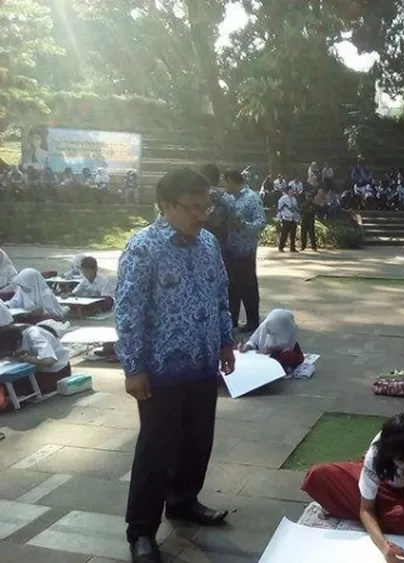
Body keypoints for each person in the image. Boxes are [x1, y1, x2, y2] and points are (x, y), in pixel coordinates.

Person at [115, 168, 235, 563]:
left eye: (206, 207)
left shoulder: (208, 244)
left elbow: (220, 294)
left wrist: (225, 341)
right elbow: (128, 312)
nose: (202, 215)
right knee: (156, 449)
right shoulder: (143, 248)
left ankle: (183, 500)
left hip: (202, 363)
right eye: (193, 207)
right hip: (160, 370)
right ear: (166, 205)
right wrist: (133, 368)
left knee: (198, 440)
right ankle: (141, 531)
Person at [302, 413, 404, 562]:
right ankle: (384, 519)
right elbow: (366, 509)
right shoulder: (376, 454)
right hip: (383, 488)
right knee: (317, 476)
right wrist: (385, 548)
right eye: (402, 461)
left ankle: (377, 520)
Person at [223, 169, 266, 333]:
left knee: (248, 286)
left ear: (232, 181)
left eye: (226, 182)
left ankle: (252, 321)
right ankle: (231, 320)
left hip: (245, 249)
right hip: (229, 249)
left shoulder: (252, 198)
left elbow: (261, 222)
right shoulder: (227, 198)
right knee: (231, 286)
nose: (224, 186)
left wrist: (244, 226)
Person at [0, 321, 71, 395]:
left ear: (17, 343)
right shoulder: (10, 332)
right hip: (37, 371)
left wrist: (29, 359)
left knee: (13, 391)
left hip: (56, 372)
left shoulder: (35, 335)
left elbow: (50, 361)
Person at [239, 309, 304, 373]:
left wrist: (273, 350)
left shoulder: (290, 331)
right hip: (262, 358)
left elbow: (294, 353)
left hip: (279, 357)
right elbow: (254, 340)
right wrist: (246, 347)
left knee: (288, 357)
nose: (271, 333)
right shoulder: (265, 326)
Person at [198, 164, 235, 264]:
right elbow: (235, 222)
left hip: (201, 248)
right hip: (222, 248)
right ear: (218, 179)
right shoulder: (228, 198)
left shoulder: (197, 199)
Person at [276, 185, 300, 253]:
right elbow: (279, 209)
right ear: (288, 191)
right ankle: (281, 247)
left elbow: (296, 209)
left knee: (293, 234)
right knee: (284, 234)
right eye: (291, 190)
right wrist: (279, 218)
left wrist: (297, 217)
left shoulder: (294, 199)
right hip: (286, 218)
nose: (292, 191)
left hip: (293, 218)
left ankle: (292, 247)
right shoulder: (283, 199)